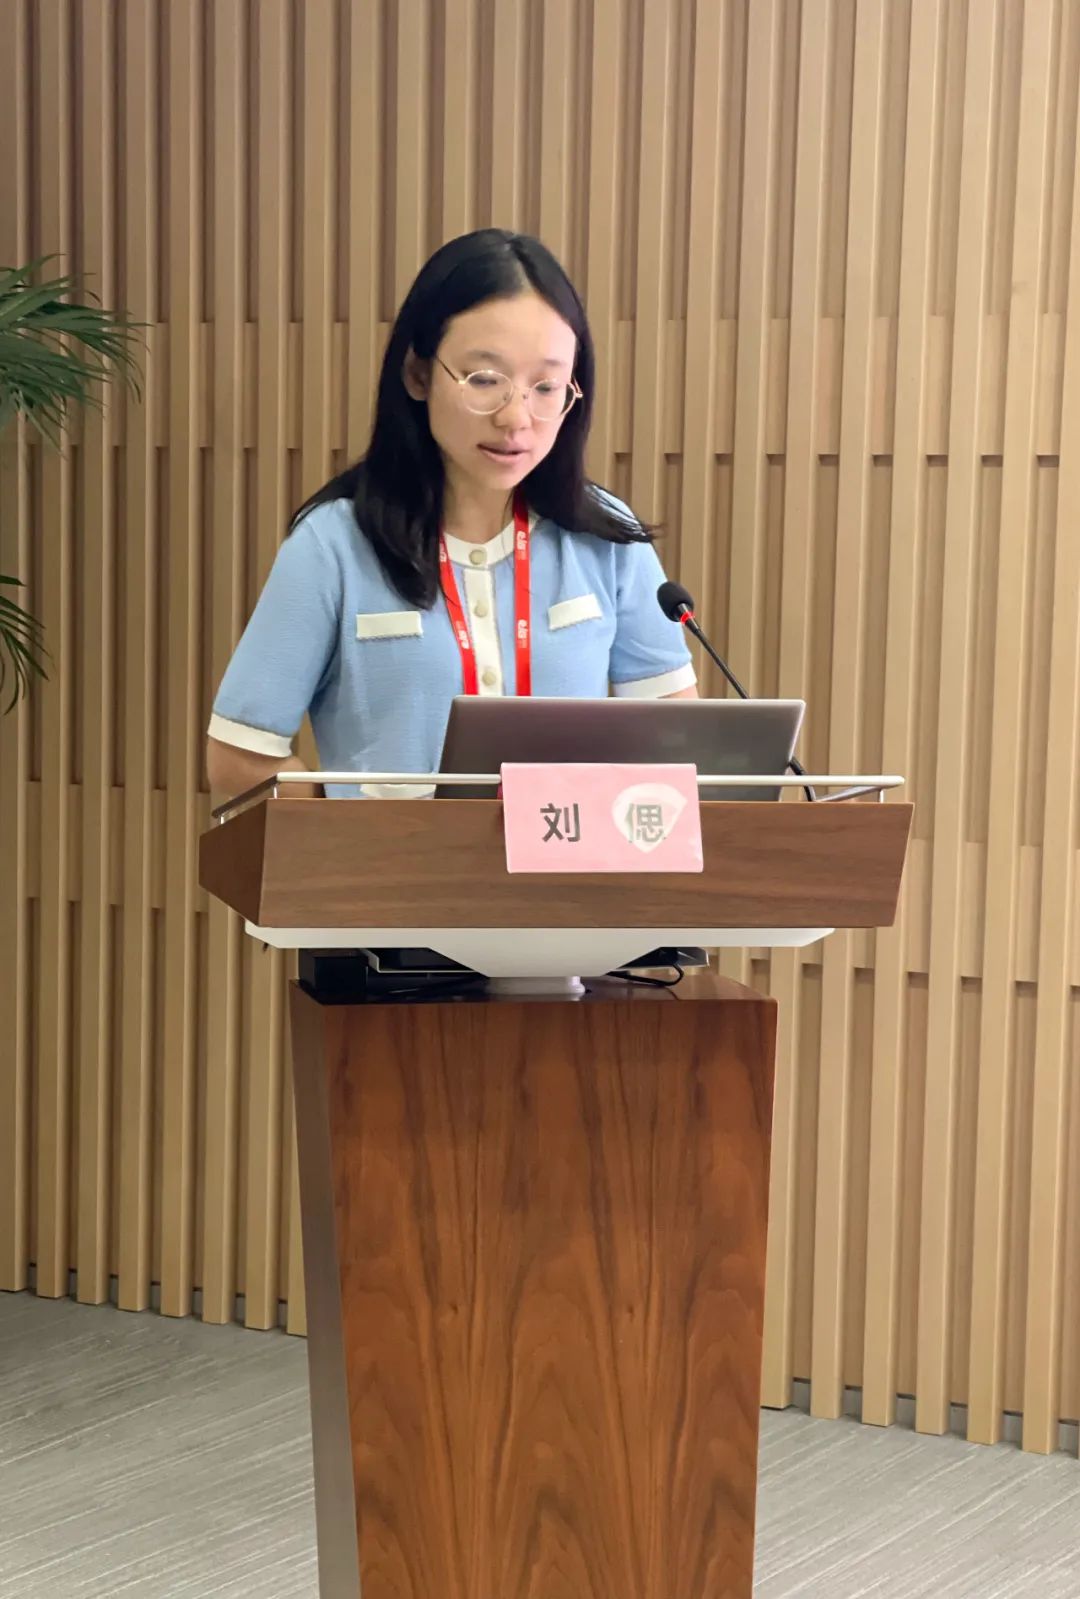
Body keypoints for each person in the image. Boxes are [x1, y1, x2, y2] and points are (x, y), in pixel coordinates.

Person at [206, 228, 696, 801]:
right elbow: (239, 761)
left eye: (546, 387)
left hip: (567, 860)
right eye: (485, 380)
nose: (516, 418)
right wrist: (353, 839)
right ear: (418, 374)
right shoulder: (333, 544)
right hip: (396, 862)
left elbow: (674, 746)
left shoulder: (605, 537)